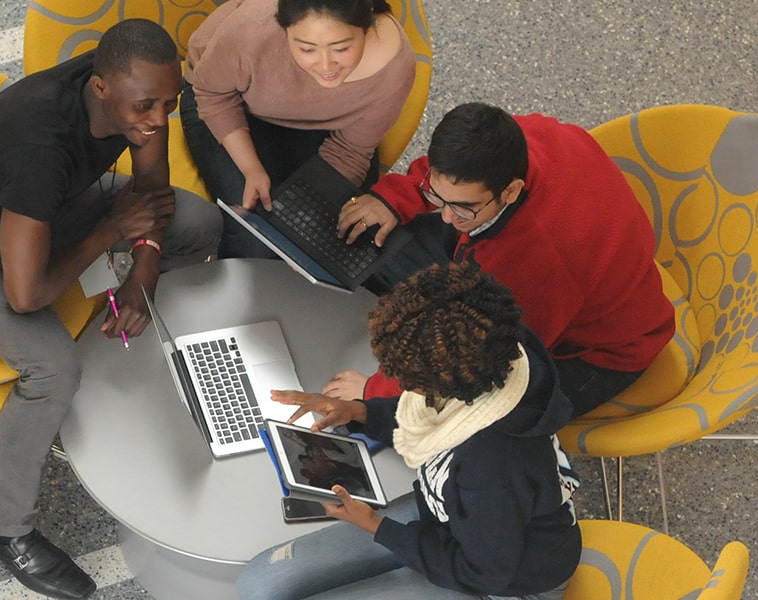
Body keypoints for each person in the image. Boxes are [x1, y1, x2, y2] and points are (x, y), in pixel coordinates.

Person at [0, 19, 219, 600]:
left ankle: (147, 343)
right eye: (146, 106)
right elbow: (27, 295)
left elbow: (153, 192)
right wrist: (108, 234)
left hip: (42, 212)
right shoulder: (41, 145)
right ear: (101, 91)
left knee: (198, 224)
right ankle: (2, 529)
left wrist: (144, 269)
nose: (157, 121)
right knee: (52, 368)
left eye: (169, 105)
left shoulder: (130, 91)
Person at [239, 263, 582, 600]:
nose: (401, 386)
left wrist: (376, 526)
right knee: (260, 584)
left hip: (505, 582)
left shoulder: (495, 465)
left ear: (448, 383)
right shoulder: (487, 362)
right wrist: (358, 410)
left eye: (413, 382)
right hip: (452, 519)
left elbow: (482, 571)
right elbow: (422, 416)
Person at [332, 102, 673, 418]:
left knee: (475, 417)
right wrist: (396, 198)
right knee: (380, 239)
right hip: (548, 272)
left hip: (597, 353)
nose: (447, 217)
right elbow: (445, 175)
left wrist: (374, 392)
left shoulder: (537, 263)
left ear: (510, 190)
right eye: (440, 198)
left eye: (463, 208)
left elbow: (484, 357)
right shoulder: (514, 140)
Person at [181, 0, 416, 257]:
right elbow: (212, 94)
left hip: (322, 123)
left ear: (366, 26)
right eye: (307, 48)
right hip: (228, 103)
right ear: (284, 29)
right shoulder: (251, 30)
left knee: (337, 237)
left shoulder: (394, 68)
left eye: (341, 48)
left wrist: (303, 224)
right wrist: (251, 169)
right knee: (256, 236)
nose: (326, 66)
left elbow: (351, 150)